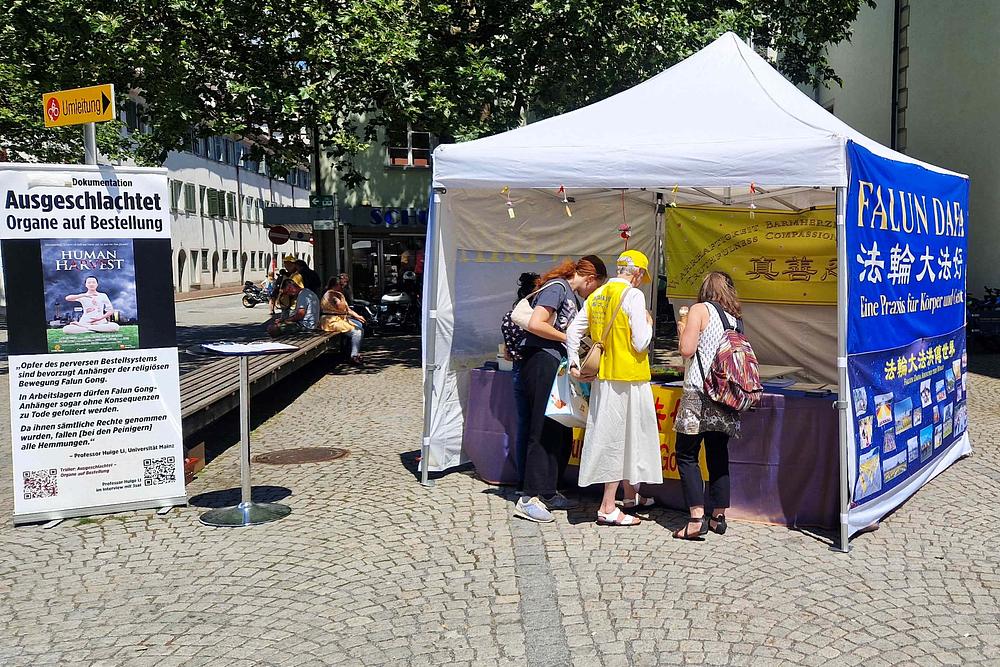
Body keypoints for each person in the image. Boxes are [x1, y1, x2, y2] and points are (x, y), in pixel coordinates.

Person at [567, 250, 663, 527]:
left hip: (604, 378)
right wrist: (647, 322)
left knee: (616, 435)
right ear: (638, 273)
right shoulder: (633, 296)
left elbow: (573, 332)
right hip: (629, 377)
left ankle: (630, 496)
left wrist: (576, 364)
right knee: (623, 439)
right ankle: (608, 506)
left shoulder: (597, 295)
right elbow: (641, 342)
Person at [514, 256, 608, 523]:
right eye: (596, 286)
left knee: (558, 427)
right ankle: (528, 497)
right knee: (541, 429)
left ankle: (547, 490)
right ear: (589, 279)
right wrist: (569, 337)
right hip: (541, 360)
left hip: (554, 363)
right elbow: (536, 323)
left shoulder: (569, 294)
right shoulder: (557, 288)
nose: (594, 292)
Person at [672, 271, 743, 539]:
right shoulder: (734, 318)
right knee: (718, 452)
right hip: (725, 394)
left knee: (687, 453)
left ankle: (695, 518)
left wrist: (682, 331)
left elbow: (687, 349)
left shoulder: (699, 310)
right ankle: (719, 516)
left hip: (698, 391)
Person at [503, 271, 540, 492]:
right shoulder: (535, 317)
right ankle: (533, 479)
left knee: (524, 425)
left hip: (517, 370)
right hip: (533, 370)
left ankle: (521, 478)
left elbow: (508, 349)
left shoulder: (509, 315)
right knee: (536, 427)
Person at [321, 279, 365, 365]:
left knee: (360, 327)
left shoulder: (339, 294)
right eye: (340, 285)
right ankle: (354, 356)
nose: (342, 287)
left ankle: (349, 352)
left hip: (340, 319)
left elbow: (348, 310)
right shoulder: (330, 294)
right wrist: (340, 299)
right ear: (334, 286)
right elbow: (339, 306)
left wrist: (358, 316)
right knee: (357, 332)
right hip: (331, 320)